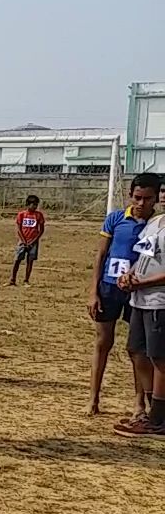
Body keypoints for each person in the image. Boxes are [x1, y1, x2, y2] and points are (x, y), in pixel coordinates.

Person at [89, 175, 159, 418]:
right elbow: (100, 256)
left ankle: (139, 402)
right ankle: (93, 398)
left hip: (137, 292)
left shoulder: (156, 225)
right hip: (109, 289)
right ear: (130, 195)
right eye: (137, 198)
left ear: (156, 199)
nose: (141, 203)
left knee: (138, 350)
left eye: (147, 199)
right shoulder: (116, 219)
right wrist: (93, 291)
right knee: (102, 342)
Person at [113, 202, 165, 438]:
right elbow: (143, 256)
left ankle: (158, 419)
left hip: (159, 301)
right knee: (136, 351)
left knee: (159, 358)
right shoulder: (154, 223)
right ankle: (152, 408)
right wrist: (129, 275)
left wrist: (144, 283)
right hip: (139, 300)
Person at [10, 195, 46, 286]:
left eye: (36, 205)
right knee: (17, 260)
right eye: (33, 204)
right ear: (28, 204)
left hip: (33, 242)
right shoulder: (21, 214)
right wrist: (24, 241)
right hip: (22, 242)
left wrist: (33, 241)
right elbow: (19, 229)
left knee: (30, 261)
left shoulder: (39, 215)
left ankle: (26, 280)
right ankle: (12, 280)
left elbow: (41, 230)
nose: (35, 207)